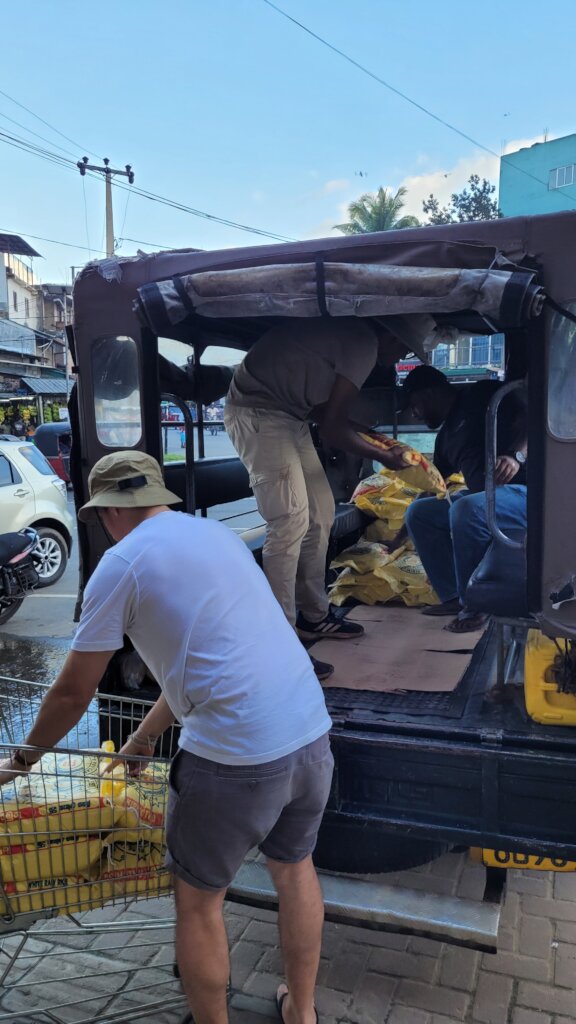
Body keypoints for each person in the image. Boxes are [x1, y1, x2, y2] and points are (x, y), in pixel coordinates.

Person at [0, 451, 334, 1024]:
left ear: (106, 511)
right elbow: (207, 662)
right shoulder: (216, 537)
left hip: (235, 760)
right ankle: (302, 1013)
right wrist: (144, 737)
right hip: (309, 735)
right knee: (295, 869)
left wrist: (23, 760)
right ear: (158, 497)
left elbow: (71, 693)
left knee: (199, 904)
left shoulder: (120, 563)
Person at [224, 318, 410, 676]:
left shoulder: (356, 342)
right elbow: (332, 428)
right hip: (257, 412)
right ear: (390, 334)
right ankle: (278, 641)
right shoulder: (364, 345)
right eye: (403, 347)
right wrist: (385, 457)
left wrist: (374, 438)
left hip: (291, 415)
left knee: (321, 512)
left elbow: (328, 414)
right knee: (289, 520)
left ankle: (314, 615)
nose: (400, 356)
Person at [401, 365, 527, 633]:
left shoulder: (482, 394)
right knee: (420, 512)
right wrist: (400, 534)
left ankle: (476, 605)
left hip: (527, 495)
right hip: (488, 500)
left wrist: (517, 455)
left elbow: (535, 415)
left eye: (415, 405)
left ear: (431, 393)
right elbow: (434, 484)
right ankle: (453, 597)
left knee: (466, 508)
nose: (415, 413)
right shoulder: (445, 438)